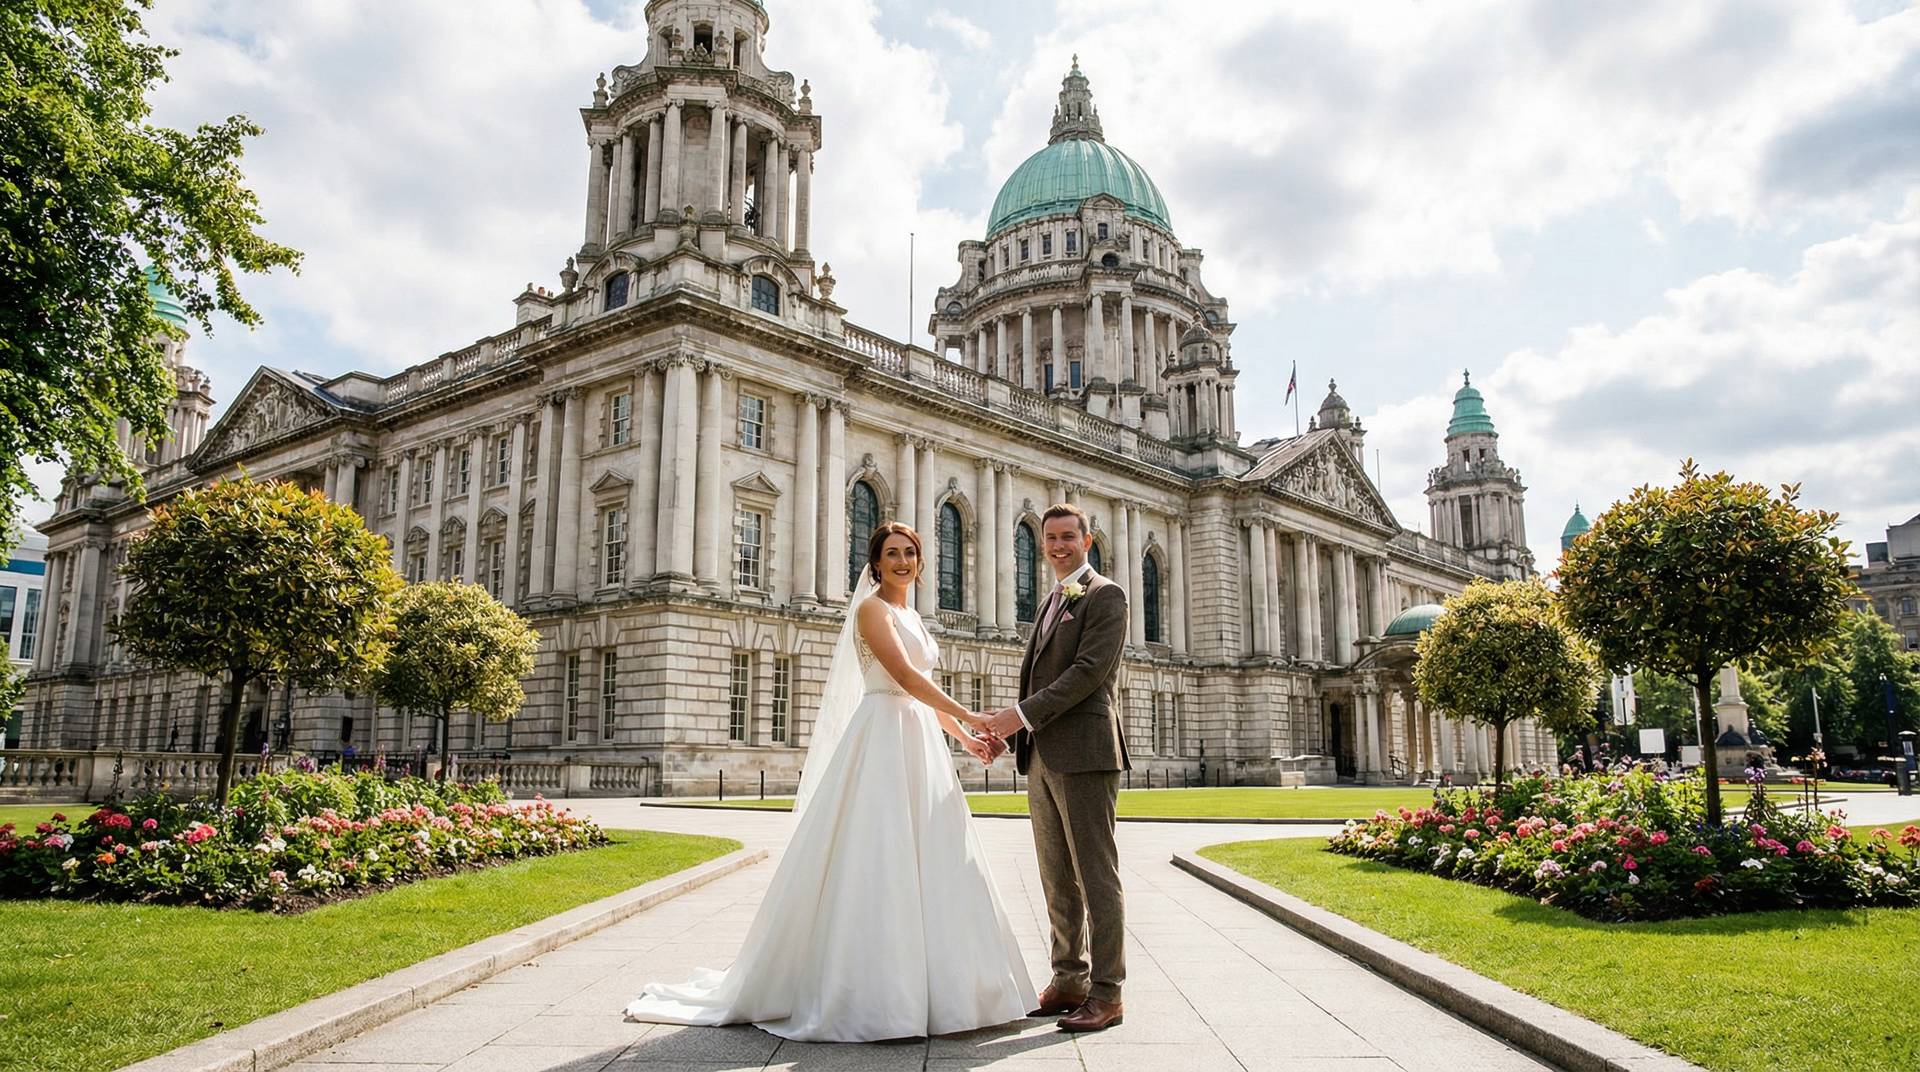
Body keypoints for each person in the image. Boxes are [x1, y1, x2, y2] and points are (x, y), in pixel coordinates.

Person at [625, 521, 1034, 1041]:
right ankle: (876, 994)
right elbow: (904, 678)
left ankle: (946, 990)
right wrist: (973, 715)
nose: (903, 561)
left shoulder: (914, 615)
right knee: (878, 854)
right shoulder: (871, 610)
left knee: (938, 853)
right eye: (892, 553)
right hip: (881, 737)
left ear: (920, 562)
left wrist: (965, 739)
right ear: (875, 563)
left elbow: (922, 691)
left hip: (918, 741)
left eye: (910, 553)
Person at [978, 502, 1130, 1033]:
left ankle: (1107, 994)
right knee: (1056, 878)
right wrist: (1011, 728)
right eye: (1051, 538)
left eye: (1068, 536)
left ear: (1087, 541)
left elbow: (1089, 673)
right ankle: (1069, 980)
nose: (1058, 546)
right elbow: (1040, 678)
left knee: (1096, 877)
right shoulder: (1052, 599)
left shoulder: (1106, 594)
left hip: (1086, 752)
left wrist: (1017, 717)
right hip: (1043, 753)